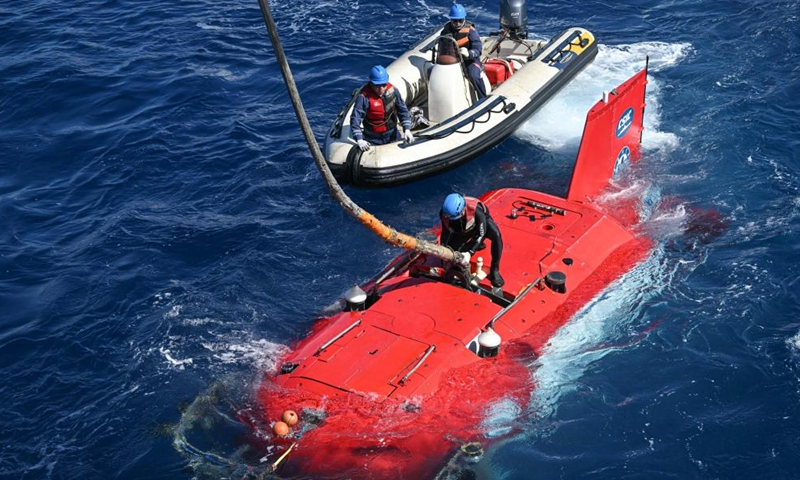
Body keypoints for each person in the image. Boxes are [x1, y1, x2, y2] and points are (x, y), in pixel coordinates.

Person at [439, 193, 504, 288]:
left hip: (479, 226)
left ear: (463, 210)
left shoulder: (477, 211)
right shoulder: (445, 215)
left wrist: (470, 252)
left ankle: (495, 269)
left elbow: (482, 233)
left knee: (496, 235)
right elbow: (445, 233)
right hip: (461, 230)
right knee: (454, 249)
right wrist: (443, 253)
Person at [350, 65, 414, 152]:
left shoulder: (393, 91)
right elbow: (356, 118)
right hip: (372, 138)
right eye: (377, 86)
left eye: (383, 85)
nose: (381, 89)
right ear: (371, 84)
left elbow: (402, 110)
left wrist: (407, 129)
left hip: (393, 134)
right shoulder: (364, 97)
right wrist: (359, 139)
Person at [441, 3, 487, 99]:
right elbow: (442, 46)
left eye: (460, 20)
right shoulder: (445, 31)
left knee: (474, 75)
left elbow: (478, 50)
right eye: (455, 21)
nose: (457, 23)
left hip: (470, 61)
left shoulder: (471, 31)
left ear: (464, 19)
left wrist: (468, 53)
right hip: (452, 60)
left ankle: (483, 98)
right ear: (451, 20)